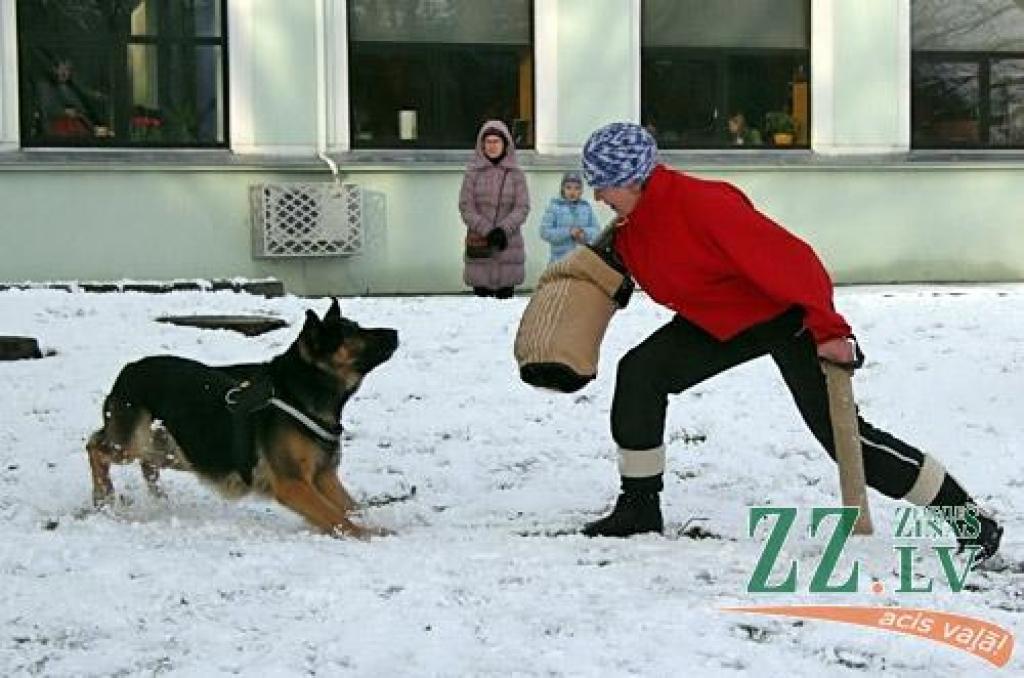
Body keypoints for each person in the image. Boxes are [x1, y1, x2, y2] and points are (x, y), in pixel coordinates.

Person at [575, 122, 1003, 563]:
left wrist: (830, 330)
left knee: (844, 438)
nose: (597, 197)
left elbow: (797, 263)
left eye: (602, 185)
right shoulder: (633, 226)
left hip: (787, 317)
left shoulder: (702, 205)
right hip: (724, 320)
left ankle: (971, 521)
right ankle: (639, 507)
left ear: (631, 178)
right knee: (642, 372)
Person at [459, 120, 530, 298]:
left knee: (505, 307)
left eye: (496, 141)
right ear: (481, 145)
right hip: (480, 246)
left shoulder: (516, 174)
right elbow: (466, 206)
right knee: (481, 308)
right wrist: (487, 230)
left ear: (505, 144)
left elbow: (522, 207)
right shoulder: (472, 173)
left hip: (509, 246)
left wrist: (503, 230)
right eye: (488, 141)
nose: (492, 146)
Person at [539, 171, 600, 264]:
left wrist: (583, 233)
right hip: (559, 261)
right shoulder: (554, 207)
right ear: (562, 188)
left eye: (577, 188)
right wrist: (568, 232)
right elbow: (544, 232)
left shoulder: (586, 207)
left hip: (582, 262)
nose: (572, 191)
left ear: (581, 190)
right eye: (568, 187)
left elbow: (597, 231)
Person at [34, 58, 101, 139]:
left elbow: (83, 101)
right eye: (62, 69)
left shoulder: (70, 87)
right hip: (56, 130)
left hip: (75, 127)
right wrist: (64, 112)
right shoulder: (44, 86)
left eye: (68, 70)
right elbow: (46, 108)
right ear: (54, 69)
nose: (65, 73)